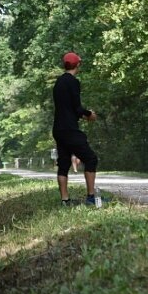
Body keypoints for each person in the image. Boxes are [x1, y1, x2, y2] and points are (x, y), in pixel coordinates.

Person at [52, 52, 100, 206]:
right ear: (77, 65)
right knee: (91, 159)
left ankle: (65, 200)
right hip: (70, 129)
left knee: (64, 163)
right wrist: (89, 114)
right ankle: (91, 198)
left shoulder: (58, 82)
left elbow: (67, 107)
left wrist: (81, 114)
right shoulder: (73, 82)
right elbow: (77, 107)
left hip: (58, 129)